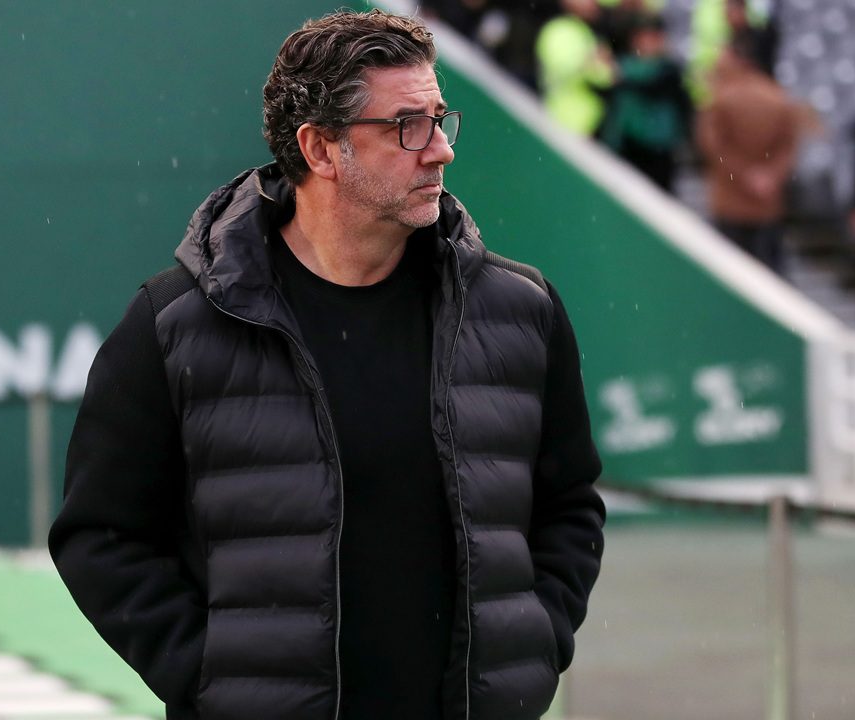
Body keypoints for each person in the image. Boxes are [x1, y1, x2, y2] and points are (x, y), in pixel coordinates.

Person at [49, 10, 605, 720]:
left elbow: (569, 507)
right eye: (407, 127)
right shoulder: (174, 324)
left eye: (440, 121)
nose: (440, 150)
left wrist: (533, 648)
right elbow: (101, 534)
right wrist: (212, 678)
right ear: (319, 148)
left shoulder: (521, 311)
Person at [695, 41, 799, 273]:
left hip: (730, 204)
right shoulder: (777, 96)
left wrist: (743, 175)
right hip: (767, 203)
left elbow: (712, 147)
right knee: (768, 272)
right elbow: (789, 145)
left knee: (728, 272)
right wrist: (770, 176)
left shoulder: (720, 98)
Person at [597, 13, 694, 191]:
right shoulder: (625, 65)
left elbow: (655, 87)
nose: (647, 44)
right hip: (628, 147)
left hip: (659, 150)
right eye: (642, 38)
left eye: (652, 38)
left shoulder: (669, 70)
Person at [536, 0, 617, 136]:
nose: (594, 6)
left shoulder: (593, 35)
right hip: (556, 118)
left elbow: (610, 76)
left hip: (587, 129)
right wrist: (589, 62)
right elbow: (560, 66)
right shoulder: (558, 28)